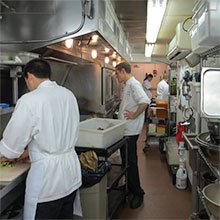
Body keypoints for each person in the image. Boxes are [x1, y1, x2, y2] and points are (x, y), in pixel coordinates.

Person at [0, 58, 82, 219]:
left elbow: (11, 147)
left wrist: (8, 154)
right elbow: (54, 134)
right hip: (70, 175)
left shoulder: (29, 100)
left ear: (29, 76)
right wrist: (30, 152)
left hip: (47, 183)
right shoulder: (68, 95)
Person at [115, 62, 150, 209]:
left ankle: (138, 192)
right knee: (125, 161)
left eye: (117, 73)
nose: (116, 76)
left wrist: (134, 115)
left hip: (131, 131)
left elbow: (145, 102)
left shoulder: (134, 84)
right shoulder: (128, 84)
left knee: (130, 162)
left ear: (123, 71)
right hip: (126, 130)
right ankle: (129, 186)